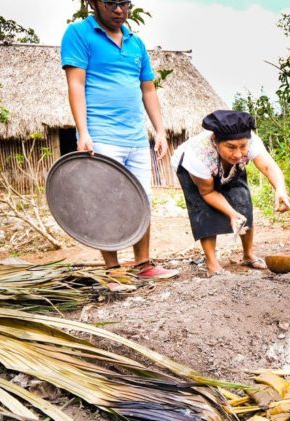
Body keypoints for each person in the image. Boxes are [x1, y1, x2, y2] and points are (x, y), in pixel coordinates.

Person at [61, 0, 176, 279]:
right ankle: (112, 270)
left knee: (142, 200)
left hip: (135, 137)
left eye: (124, 3)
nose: (118, 10)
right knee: (104, 201)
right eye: (110, 3)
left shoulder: (136, 43)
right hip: (101, 135)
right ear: (93, 2)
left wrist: (159, 131)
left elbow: (148, 89)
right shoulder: (78, 33)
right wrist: (83, 131)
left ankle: (143, 264)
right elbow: (75, 83)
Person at [174, 110, 290, 276]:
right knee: (203, 210)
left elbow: (268, 166)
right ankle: (212, 265)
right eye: (230, 147)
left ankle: (248, 255)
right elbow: (207, 193)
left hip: (228, 167)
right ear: (215, 141)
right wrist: (231, 213)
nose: (237, 154)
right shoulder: (197, 156)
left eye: (243, 146)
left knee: (243, 201)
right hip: (193, 172)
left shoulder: (251, 142)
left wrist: (280, 189)